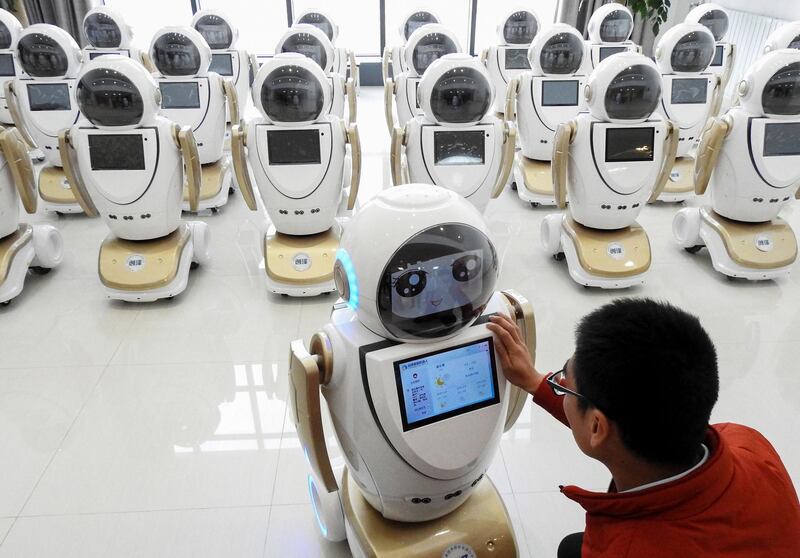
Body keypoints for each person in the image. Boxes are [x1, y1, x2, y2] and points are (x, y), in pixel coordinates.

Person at [487, 298, 800, 558]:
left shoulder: (626, 548)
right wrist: (534, 382)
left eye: (565, 384)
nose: (561, 385)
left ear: (598, 426)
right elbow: (616, 417)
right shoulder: (747, 442)